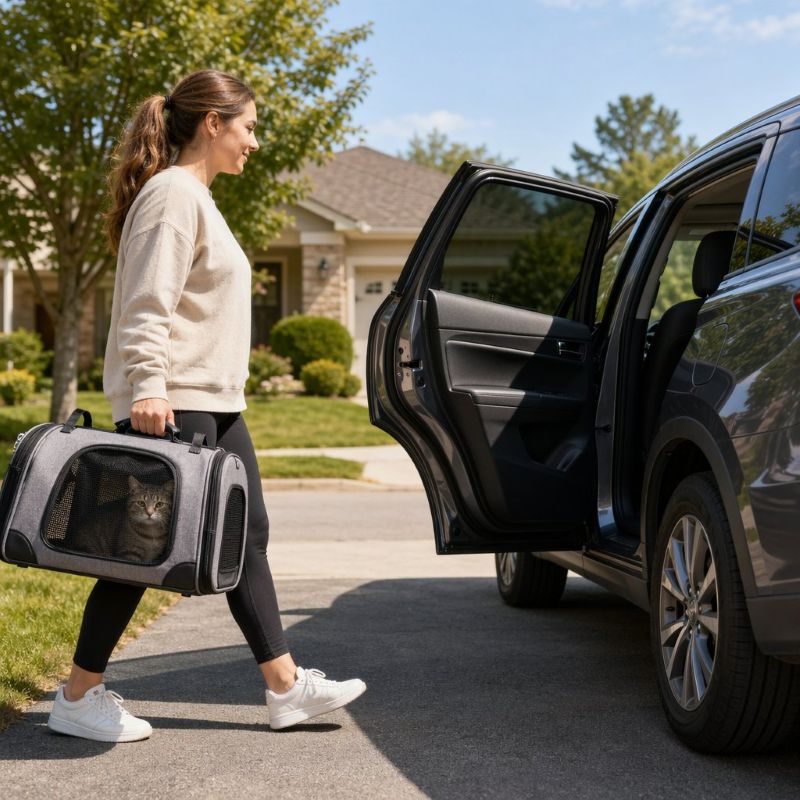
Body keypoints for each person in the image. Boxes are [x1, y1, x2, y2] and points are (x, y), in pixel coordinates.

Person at [46, 70, 366, 742]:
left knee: (247, 535)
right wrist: (148, 386)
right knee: (139, 551)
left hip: (213, 402)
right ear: (213, 123)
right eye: (248, 127)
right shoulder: (172, 195)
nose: (255, 141)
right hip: (174, 400)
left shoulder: (197, 198)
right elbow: (146, 302)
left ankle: (285, 687)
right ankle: (77, 696)